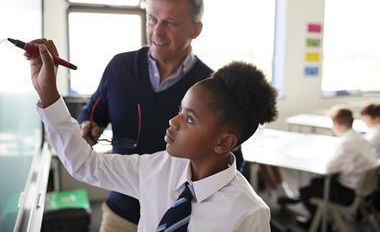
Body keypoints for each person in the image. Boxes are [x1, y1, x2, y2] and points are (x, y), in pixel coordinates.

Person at [26, 41, 278, 231]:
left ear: (224, 142)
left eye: (189, 118)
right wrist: (48, 93)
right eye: (181, 110)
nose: (173, 121)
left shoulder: (248, 212)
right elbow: (85, 164)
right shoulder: (159, 168)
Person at [75, 0, 245, 231]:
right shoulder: (119, 68)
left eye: (170, 23)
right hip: (121, 212)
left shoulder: (212, 87)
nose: (157, 31)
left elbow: (232, 162)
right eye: (152, 19)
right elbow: (92, 114)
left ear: (195, 30)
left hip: (180, 220)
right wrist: (87, 125)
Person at [279, 107, 377, 228]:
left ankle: (319, 224)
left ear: (339, 124)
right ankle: (310, 212)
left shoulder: (347, 143)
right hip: (365, 190)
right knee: (315, 182)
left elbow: (329, 169)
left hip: (350, 193)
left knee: (306, 191)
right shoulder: (358, 137)